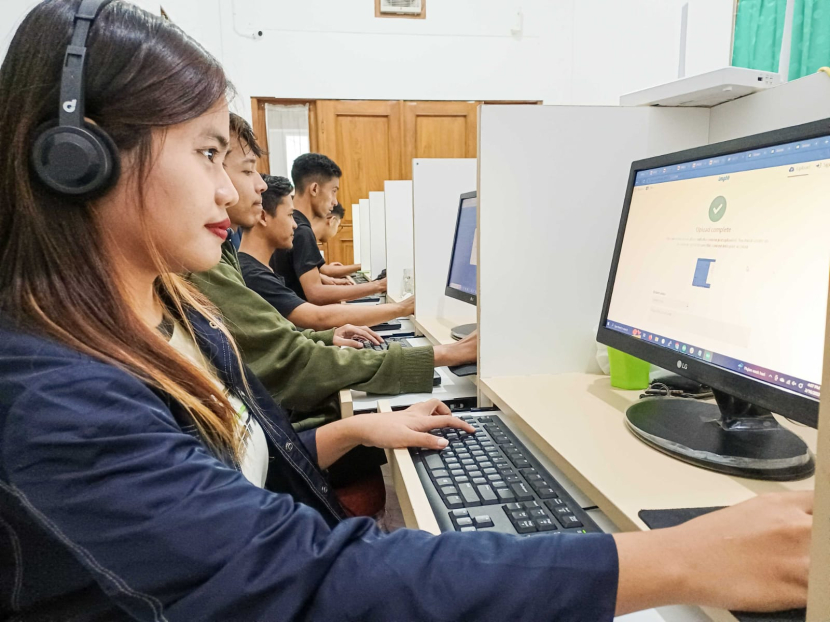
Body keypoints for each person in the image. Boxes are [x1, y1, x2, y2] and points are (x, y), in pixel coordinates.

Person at [0, 2, 815, 620]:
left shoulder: (162, 314)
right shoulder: (54, 399)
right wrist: (675, 561)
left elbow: (225, 485)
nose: (230, 190)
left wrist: (355, 432)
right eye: (209, 153)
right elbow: (307, 580)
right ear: (80, 158)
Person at [191, 114, 476, 430]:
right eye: (247, 170)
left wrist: (329, 336)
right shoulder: (218, 265)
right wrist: (434, 344)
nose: (260, 184)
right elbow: (310, 317)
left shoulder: (229, 257)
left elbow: (288, 335)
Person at [239, 176, 415, 330]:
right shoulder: (254, 275)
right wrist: (401, 308)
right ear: (264, 217)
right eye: (290, 215)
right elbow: (319, 316)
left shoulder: (254, 267)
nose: (294, 224)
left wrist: (330, 336)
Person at [271, 152, 388, 304]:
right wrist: (379, 285)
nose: (335, 202)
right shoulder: (302, 230)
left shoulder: (291, 224)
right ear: (314, 189)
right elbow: (316, 293)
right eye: (333, 191)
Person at [319, 203, 362, 280]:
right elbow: (324, 272)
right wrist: (378, 284)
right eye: (338, 226)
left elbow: (324, 270)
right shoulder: (305, 238)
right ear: (332, 221)